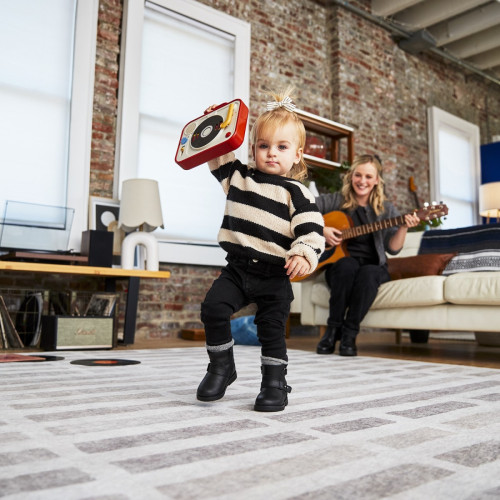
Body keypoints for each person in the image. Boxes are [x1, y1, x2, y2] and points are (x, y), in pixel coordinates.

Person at [196, 88, 325, 412]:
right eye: (263, 146)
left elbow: (311, 231)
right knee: (213, 308)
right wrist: (215, 123)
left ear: (297, 154)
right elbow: (216, 152)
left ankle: (274, 383)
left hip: (275, 274)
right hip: (238, 268)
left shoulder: (298, 193)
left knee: (271, 330)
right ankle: (221, 367)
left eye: (282, 147)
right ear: (253, 148)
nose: (271, 153)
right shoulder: (238, 177)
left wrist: (303, 253)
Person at [315, 154, 420, 356]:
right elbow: (303, 207)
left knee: (368, 274)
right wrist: (323, 229)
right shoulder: (336, 200)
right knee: (346, 266)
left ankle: (349, 334)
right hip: (341, 263)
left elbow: (393, 249)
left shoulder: (386, 209)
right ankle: (332, 330)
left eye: (368, 176)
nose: (362, 181)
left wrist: (404, 227)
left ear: (377, 180)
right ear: (351, 176)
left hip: (373, 265)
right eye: (358, 175)